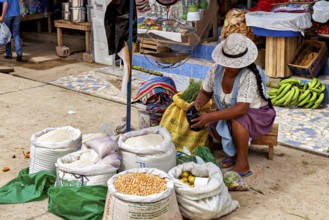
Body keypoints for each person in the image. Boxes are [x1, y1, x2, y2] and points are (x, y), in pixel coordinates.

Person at [191, 33, 276, 177]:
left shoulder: (249, 75)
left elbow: (241, 109)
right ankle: (233, 154)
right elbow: (205, 92)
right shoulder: (215, 70)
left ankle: (243, 164)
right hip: (232, 111)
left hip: (256, 115)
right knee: (215, 124)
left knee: (237, 120)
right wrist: (197, 104)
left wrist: (210, 116)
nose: (230, 67)